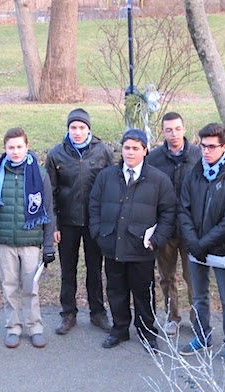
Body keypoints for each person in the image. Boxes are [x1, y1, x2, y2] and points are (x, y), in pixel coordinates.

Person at [89, 129, 176, 351]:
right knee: (116, 291)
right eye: (126, 148)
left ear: (145, 151)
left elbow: (168, 214)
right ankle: (119, 329)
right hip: (112, 244)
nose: (130, 152)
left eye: (135, 148)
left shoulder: (158, 180)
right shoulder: (107, 176)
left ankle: (147, 332)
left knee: (143, 294)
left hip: (142, 248)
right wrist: (99, 233)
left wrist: (156, 239)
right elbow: (95, 206)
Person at [178, 123, 225, 366]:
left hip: (223, 250)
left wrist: (204, 243)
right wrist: (194, 242)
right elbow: (184, 209)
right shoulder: (194, 173)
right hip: (196, 248)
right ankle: (202, 336)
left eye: (211, 147)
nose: (206, 151)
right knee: (199, 297)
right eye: (203, 145)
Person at [0, 128, 56, 349]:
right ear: (5, 149)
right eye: (11, 147)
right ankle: (13, 327)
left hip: (31, 242)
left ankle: (34, 326)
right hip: (5, 241)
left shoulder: (40, 174)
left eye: (19, 147)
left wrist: (48, 246)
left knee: (30, 287)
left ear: (27, 147)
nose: (15, 151)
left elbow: (48, 211)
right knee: (9, 287)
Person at [45, 109, 113, 335]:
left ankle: (97, 312)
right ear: (68, 129)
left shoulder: (102, 152)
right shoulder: (56, 154)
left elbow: (112, 186)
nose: (77, 132)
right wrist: (54, 224)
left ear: (89, 129)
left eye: (82, 128)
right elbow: (50, 192)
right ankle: (68, 313)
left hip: (95, 221)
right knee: (68, 269)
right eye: (73, 128)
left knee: (95, 268)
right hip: (67, 221)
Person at [147, 112, 202, 336]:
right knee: (166, 276)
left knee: (194, 277)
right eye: (169, 130)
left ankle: (198, 317)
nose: (174, 134)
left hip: (191, 228)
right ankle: (172, 316)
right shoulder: (155, 158)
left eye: (177, 129)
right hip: (165, 227)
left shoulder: (198, 156)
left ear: (184, 128)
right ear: (162, 132)